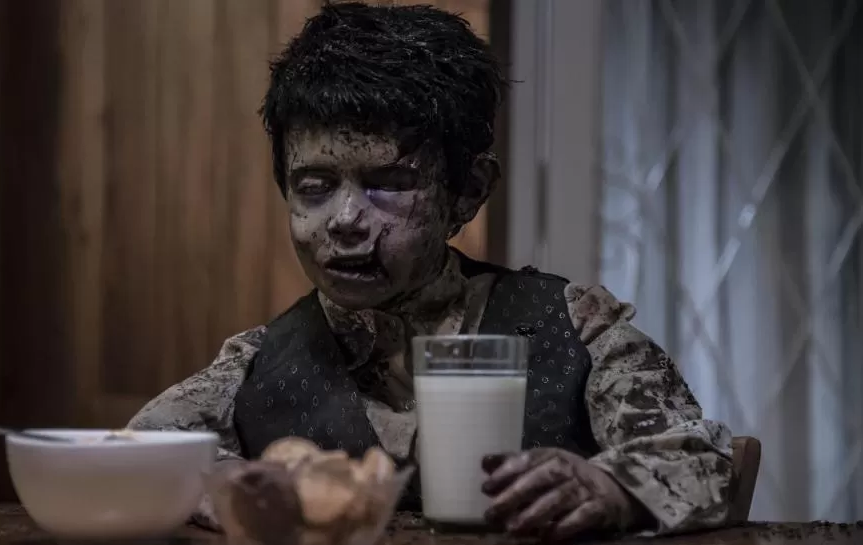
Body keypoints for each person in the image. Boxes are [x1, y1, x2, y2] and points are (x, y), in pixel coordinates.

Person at [129, 1, 733, 539]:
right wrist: (224, 485)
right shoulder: (255, 361)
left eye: (388, 184)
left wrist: (611, 487)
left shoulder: (576, 325)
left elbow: (702, 456)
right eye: (314, 187)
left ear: (468, 192)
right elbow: (139, 451)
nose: (345, 220)